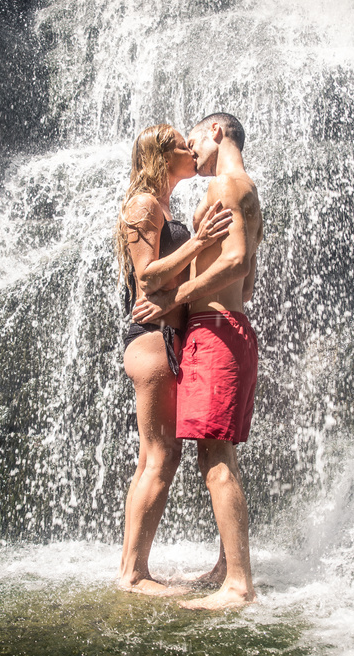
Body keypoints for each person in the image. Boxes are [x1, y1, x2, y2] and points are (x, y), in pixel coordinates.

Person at [133, 112, 263, 610]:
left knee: (216, 461)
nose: (191, 153)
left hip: (215, 333)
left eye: (193, 141)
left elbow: (234, 262)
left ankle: (239, 585)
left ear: (216, 132)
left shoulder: (228, 186)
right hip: (226, 329)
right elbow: (248, 278)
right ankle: (227, 567)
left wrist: (174, 299)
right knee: (219, 457)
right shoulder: (245, 188)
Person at [115, 124, 234, 595]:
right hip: (152, 339)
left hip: (165, 338)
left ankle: (132, 569)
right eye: (183, 144)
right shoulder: (143, 205)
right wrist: (199, 242)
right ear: (163, 157)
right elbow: (147, 279)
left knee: (153, 457)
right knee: (160, 457)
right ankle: (134, 574)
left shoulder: (161, 206)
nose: (192, 149)